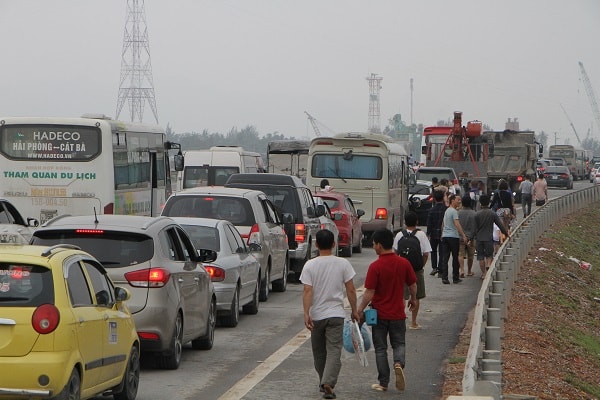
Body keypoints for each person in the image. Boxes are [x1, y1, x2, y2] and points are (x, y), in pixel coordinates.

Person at [300, 229, 360, 399]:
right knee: (334, 350)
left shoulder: (310, 265)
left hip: (317, 315)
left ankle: (324, 381)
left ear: (316, 244)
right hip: (336, 314)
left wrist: (306, 313)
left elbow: (307, 290)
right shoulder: (343, 264)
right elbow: (351, 289)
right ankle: (328, 382)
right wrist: (354, 310)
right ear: (334, 244)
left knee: (319, 352)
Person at [358, 229, 417, 392]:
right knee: (399, 343)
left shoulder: (375, 266)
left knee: (380, 348)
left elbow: (369, 292)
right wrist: (413, 299)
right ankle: (398, 363)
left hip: (379, 314)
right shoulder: (403, 263)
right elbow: (413, 284)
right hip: (398, 313)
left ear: (380, 245)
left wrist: (360, 309)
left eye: (374, 243)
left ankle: (383, 382)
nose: (373, 246)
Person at [393, 211, 431, 330]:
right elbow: (425, 254)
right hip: (416, 269)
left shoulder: (399, 235)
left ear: (404, 222)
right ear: (417, 222)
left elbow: (395, 252)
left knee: (402, 295)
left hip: (402, 269)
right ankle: (413, 322)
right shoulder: (421, 234)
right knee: (416, 296)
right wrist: (421, 266)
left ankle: (401, 319)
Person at [475, 194, 510, 279]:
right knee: (489, 255)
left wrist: (470, 238)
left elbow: (474, 227)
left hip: (479, 238)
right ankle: (488, 265)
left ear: (480, 203)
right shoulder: (492, 213)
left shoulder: (477, 214)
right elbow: (500, 225)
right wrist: (506, 233)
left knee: (480, 256)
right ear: (488, 203)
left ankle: (483, 274)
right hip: (489, 238)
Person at [440, 194, 468, 284]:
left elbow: (443, 223)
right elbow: (457, 224)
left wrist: (442, 233)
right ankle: (455, 277)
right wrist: (463, 235)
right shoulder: (454, 211)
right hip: (453, 236)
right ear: (452, 201)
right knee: (455, 257)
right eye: (458, 200)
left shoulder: (447, 211)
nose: (459, 202)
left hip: (445, 236)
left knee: (445, 257)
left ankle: (444, 277)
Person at [426, 189, 447, 277]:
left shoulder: (432, 210)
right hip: (443, 233)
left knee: (433, 251)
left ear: (434, 199)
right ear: (443, 198)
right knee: (442, 252)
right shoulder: (446, 209)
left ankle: (434, 267)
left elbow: (429, 223)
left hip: (434, 233)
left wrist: (428, 233)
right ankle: (441, 270)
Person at [458, 195, 477, 277]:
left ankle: (462, 270)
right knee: (470, 255)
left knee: (460, 254)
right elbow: (475, 226)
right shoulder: (474, 214)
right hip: (471, 237)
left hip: (460, 236)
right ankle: (469, 271)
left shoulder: (458, 213)